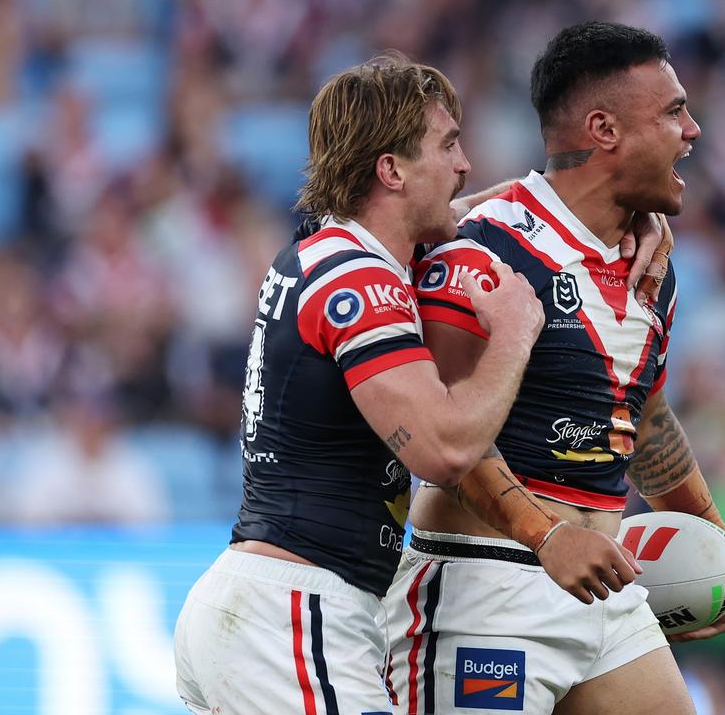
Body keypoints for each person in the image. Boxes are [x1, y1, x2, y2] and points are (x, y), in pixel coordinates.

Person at [384, 22, 725, 715]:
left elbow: (639, 413)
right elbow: (445, 442)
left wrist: (712, 535)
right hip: (484, 591)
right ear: (604, 129)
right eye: (673, 111)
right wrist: (547, 536)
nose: (693, 130)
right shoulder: (480, 249)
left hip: (605, 590)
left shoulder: (651, 263)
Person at [172, 54, 546, 715]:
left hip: (260, 606)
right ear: (391, 170)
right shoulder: (363, 284)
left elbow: (446, 213)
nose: (464, 164)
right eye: (448, 145)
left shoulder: (328, 251)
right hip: (293, 611)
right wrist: (515, 333)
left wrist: (549, 202)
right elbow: (444, 452)